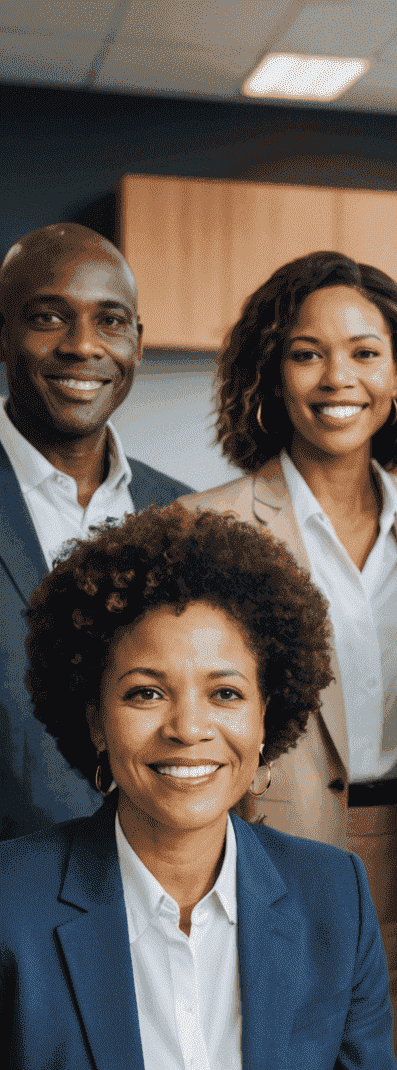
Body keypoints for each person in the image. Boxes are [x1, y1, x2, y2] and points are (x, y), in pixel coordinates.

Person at [1, 504, 397, 1070]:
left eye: (225, 694)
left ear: (268, 714)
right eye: (146, 694)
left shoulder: (327, 896)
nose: (189, 729)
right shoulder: (14, 899)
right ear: (94, 720)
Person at [176, 252, 397, 1070]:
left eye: (363, 353)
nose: (337, 378)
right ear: (272, 373)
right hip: (268, 848)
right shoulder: (210, 525)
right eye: (307, 354)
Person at [0, 223, 191, 841]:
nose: (83, 347)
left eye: (110, 321)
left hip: (152, 889)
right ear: (3, 333)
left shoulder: (183, 518)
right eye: (49, 318)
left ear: (138, 341)